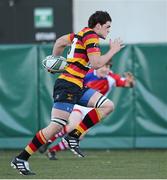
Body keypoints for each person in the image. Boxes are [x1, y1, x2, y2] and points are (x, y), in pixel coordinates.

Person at [10, 11, 124, 175]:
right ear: (98, 25)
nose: (109, 31)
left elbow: (60, 42)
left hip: (76, 85)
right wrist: (112, 50)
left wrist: (53, 60)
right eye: (107, 27)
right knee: (55, 126)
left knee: (107, 105)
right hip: (68, 85)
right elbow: (96, 63)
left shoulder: (79, 34)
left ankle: (73, 136)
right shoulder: (91, 35)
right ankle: (21, 158)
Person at [38, 63, 135, 160]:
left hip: (93, 109)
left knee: (78, 135)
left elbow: (128, 84)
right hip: (80, 104)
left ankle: (52, 151)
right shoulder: (87, 73)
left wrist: (131, 82)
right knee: (72, 126)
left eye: (108, 67)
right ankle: (49, 140)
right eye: (103, 66)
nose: (106, 69)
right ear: (97, 66)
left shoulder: (112, 77)